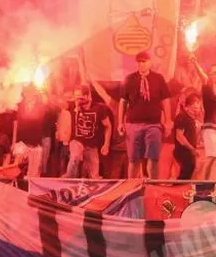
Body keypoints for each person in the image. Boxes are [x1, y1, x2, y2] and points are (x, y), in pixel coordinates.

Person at [118, 51, 171, 179]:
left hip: (153, 124)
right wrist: (120, 123)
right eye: (139, 62)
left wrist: (168, 120)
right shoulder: (129, 79)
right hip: (133, 124)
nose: (141, 64)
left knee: (153, 157)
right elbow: (123, 102)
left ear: (150, 62)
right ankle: (132, 187)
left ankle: (153, 185)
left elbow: (165, 100)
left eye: (144, 61)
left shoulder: (158, 79)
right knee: (133, 159)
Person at [190, 55, 216, 179]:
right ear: (210, 75)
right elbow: (202, 76)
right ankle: (205, 183)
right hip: (210, 129)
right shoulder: (207, 86)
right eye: (214, 72)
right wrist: (195, 63)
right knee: (211, 157)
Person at [63, 84, 112, 179]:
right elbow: (60, 103)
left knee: (95, 175)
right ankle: (69, 179)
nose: (78, 100)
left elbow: (108, 126)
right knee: (75, 156)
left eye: (80, 97)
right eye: (76, 97)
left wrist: (106, 144)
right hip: (77, 141)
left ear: (87, 96)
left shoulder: (98, 108)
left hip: (91, 145)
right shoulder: (73, 105)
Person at [172, 92, 203, 179]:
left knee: (188, 173)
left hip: (189, 152)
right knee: (186, 173)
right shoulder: (182, 117)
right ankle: (177, 187)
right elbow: (180, 137)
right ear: (187, 106)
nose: (196, 108)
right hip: (183, 152)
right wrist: (192, 149)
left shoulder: (191, 119)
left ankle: (180, 187)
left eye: (198, 105)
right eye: (194, 105)